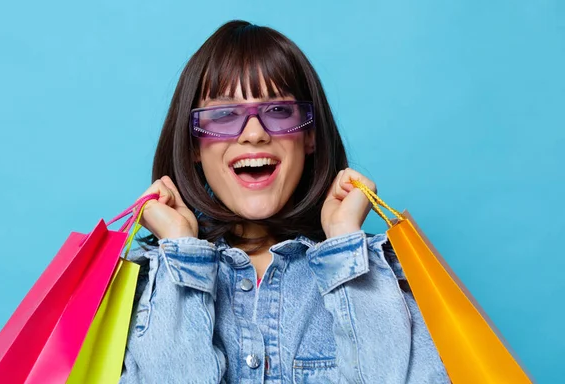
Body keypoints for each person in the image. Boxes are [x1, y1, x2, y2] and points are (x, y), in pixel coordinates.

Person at [120, 20, 449, 384]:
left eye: (278, 111)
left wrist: (344, 247)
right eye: (225, 114)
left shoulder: (379, 272)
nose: (255, 133)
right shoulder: (148, 286)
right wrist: (181, 255)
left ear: (309, 136)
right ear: (194, 145)